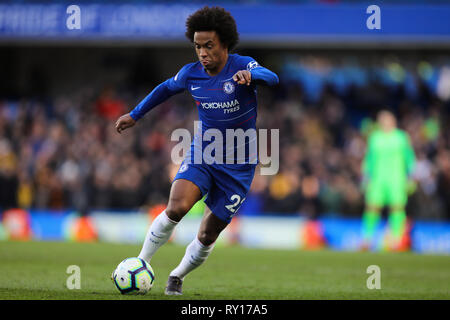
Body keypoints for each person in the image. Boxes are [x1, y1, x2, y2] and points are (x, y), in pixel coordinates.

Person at [114, 6, 279, 295]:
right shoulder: (190, 74)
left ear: (224, 44)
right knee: (176, 207)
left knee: (207, 233)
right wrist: (135, 114)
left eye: (209, 46)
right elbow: (164, 89)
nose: (202, 53)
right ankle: (141, 261)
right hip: (204, 154)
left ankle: (177, 275)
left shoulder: (243, 64)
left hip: (239, 167)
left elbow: (272, 77)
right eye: (198, 46)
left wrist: (252, 77)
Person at [361, 110, 416, 251]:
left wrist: (411, 175)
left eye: (388, 119)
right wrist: (366, 175)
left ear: (393, 121)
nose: (385, 122)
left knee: (397, 208)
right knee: (372, 207)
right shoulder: (375, 138)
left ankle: (396, 240)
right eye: (382, 120)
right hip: (378, 179)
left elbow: (409, 157)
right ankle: (367, 239)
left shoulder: (401, 137)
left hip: (397, 178)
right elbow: (369, 158)